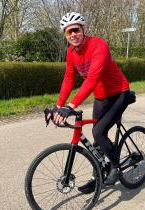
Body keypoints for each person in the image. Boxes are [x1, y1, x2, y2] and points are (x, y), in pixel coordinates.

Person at [53, 12, 131, 193]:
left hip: (119, 93)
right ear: (65, 35)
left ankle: (116, 167)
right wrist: (58, 106)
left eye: (75, 30)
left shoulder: (98, 45)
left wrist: (70, 106)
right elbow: (69, 79)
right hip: (101, 97)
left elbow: (93, 78)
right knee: (97, 140)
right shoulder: (71, 52)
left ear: (84, 29)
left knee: (98, 131)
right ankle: (97, 177)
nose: (72, 34)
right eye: (68, 32)